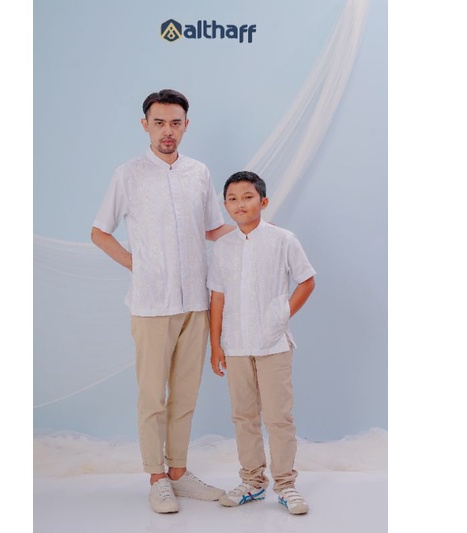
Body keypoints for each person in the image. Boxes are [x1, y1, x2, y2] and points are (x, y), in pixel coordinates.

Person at [91, 89, 233, 514]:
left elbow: (212, 229)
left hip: (195, 302)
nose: (167, 131)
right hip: (152, 303)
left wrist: (255, 228)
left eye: (175, 123)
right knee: (153, 395)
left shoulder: (199, 173)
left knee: (185, 394)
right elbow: (99, 232)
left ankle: (179, 471)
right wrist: (137, 265)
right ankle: (157, 478)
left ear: (186, 126)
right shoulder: (128, 175)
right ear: (145, 126)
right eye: (159, 123)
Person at [207, 171, 316, 515]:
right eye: (232, 199)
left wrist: (282, 314)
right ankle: (253, 482)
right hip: (236, 344)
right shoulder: (223, 247)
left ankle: (286, 484)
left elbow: (307, 280)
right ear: (225, 205)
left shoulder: (283, 240)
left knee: (278, 416)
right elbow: (217, 296)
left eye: (247, 197)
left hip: (272, 343)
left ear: (263, 201)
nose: (240, 204)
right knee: (243, 415)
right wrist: (216, 345)